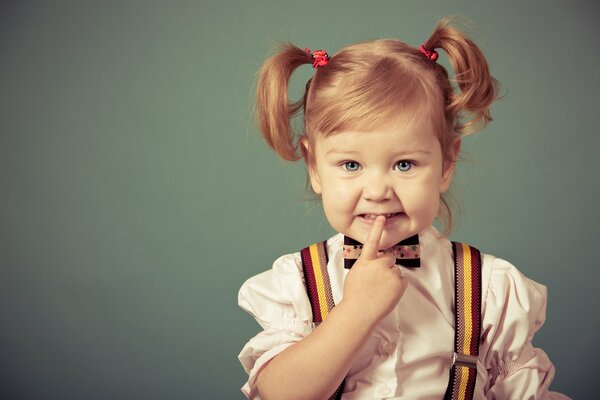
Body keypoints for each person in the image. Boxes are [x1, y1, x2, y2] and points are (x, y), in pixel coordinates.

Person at [237, 16, 570, 400]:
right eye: (351, 165)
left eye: (404, 165)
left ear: (447, 163)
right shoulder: (296, 283)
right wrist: (356, 311)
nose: (378, 190)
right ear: (314, 167)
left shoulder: (490, 289)